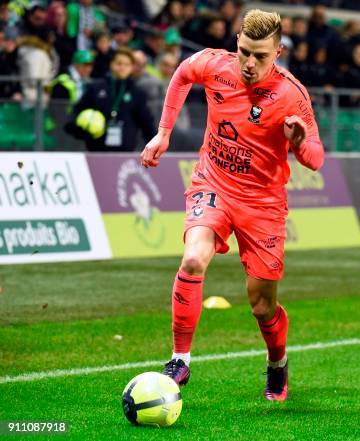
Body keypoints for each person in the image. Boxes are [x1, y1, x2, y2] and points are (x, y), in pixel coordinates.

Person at [140, 9, 324, 402]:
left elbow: (316, 158)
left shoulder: (293, 94)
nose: (250, 63)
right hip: (213, 183)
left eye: (261, 56)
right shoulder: (214, 64)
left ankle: (277, 362)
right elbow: (181, 75)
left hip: (263, 204)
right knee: (193, 259)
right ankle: (179, 358)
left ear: (279, 51)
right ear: (236, 42)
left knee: (261, 305)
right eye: (244, 52)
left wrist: (298, 141)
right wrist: (163, 133)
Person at [65, 47, 156, 151]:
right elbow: (76, 111)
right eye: (119, 63)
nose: (122, 67)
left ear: (131, 68)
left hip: (125, 152)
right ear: (111, 64)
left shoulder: (137, 93)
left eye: (127, 64)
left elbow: (147, 122)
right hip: (96, 149)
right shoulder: (96, 87)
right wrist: (77, 129)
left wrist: (154, 146)